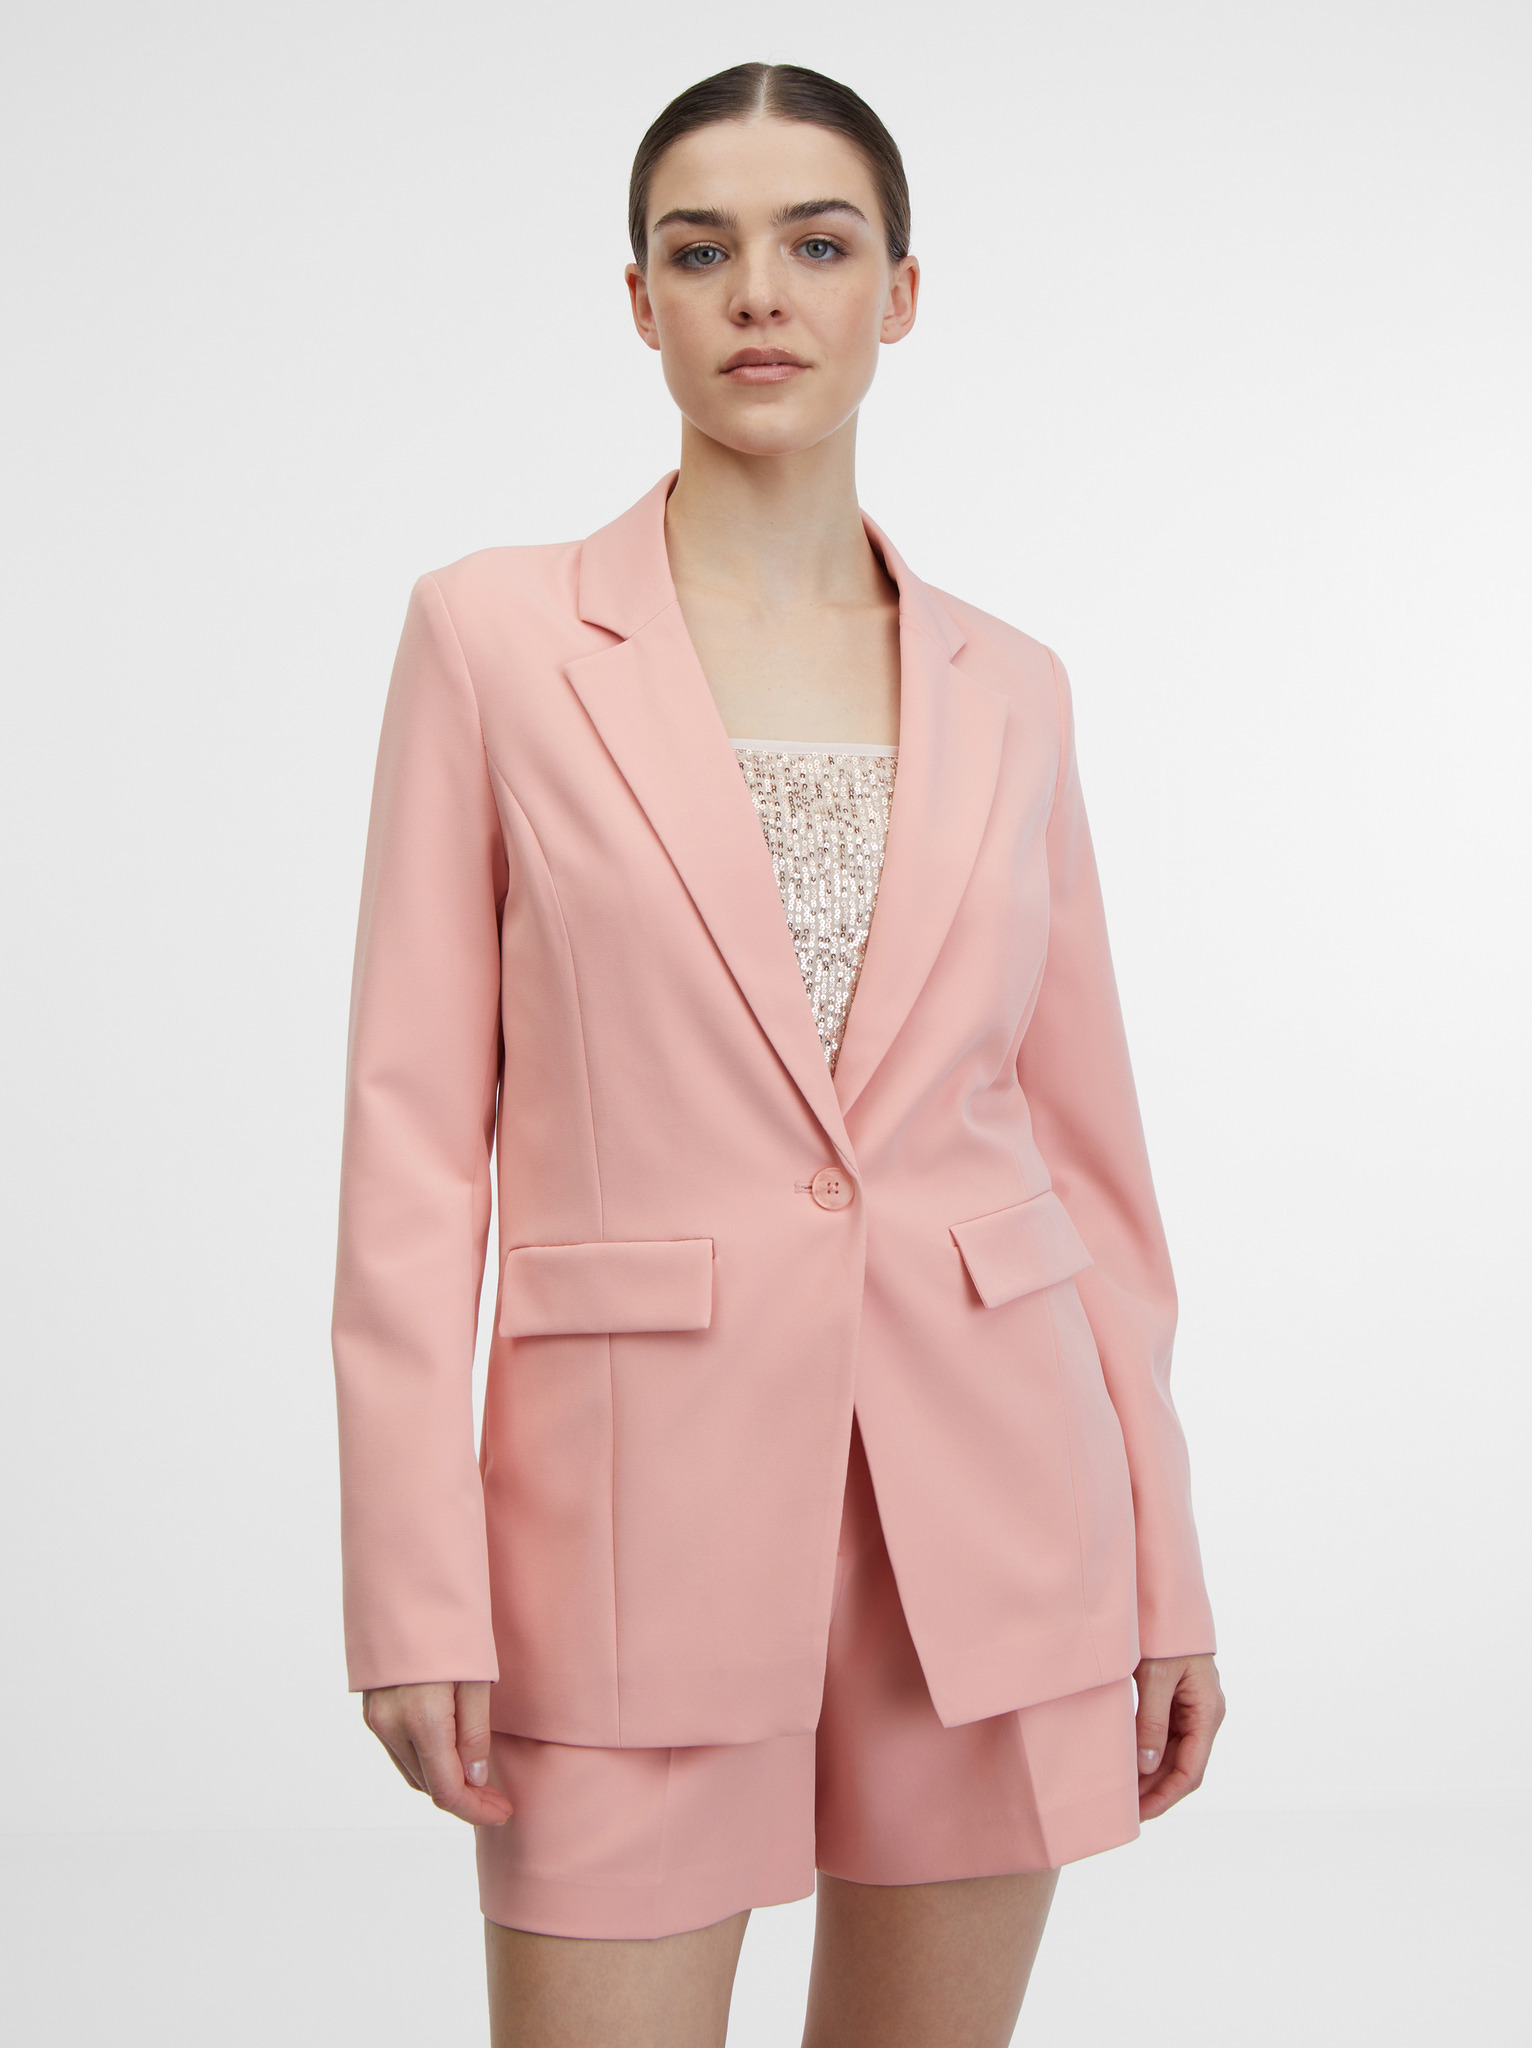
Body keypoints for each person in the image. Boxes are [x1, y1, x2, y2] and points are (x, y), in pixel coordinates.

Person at [331, 60, 1224, 2048]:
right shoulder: (493, 640)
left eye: (818, 245)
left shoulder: (1015, 687)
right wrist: (413, 1584)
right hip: (626, 1532)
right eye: (700, 249)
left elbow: (1090, 1167)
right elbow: (411, 1153)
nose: (759, 292)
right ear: (637, 300)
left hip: (991, 1531)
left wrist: (1166, 1565)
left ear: (899, 293)